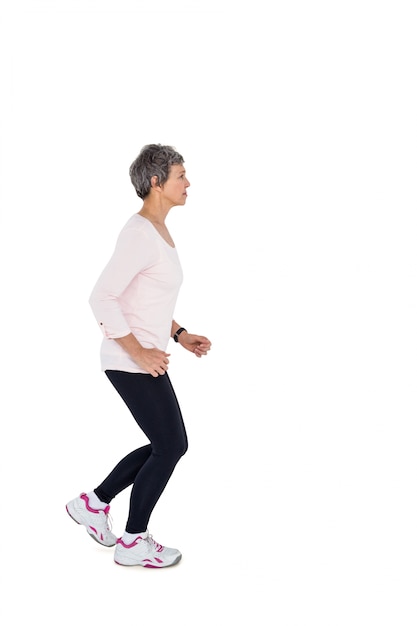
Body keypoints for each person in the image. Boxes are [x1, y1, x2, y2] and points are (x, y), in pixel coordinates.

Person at [66, 144, 211, 568]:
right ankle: (133, 541)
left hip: (145, 357)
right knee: (171, 445)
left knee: (165, 444)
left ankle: (93, 503)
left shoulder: (157, 232)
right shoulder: (138, 233)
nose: (188, 183)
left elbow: (143, 300)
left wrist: (179, 334)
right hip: (129, 358)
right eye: (180, 175)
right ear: (156, 182)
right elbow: (101, 297)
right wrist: (141, 351)